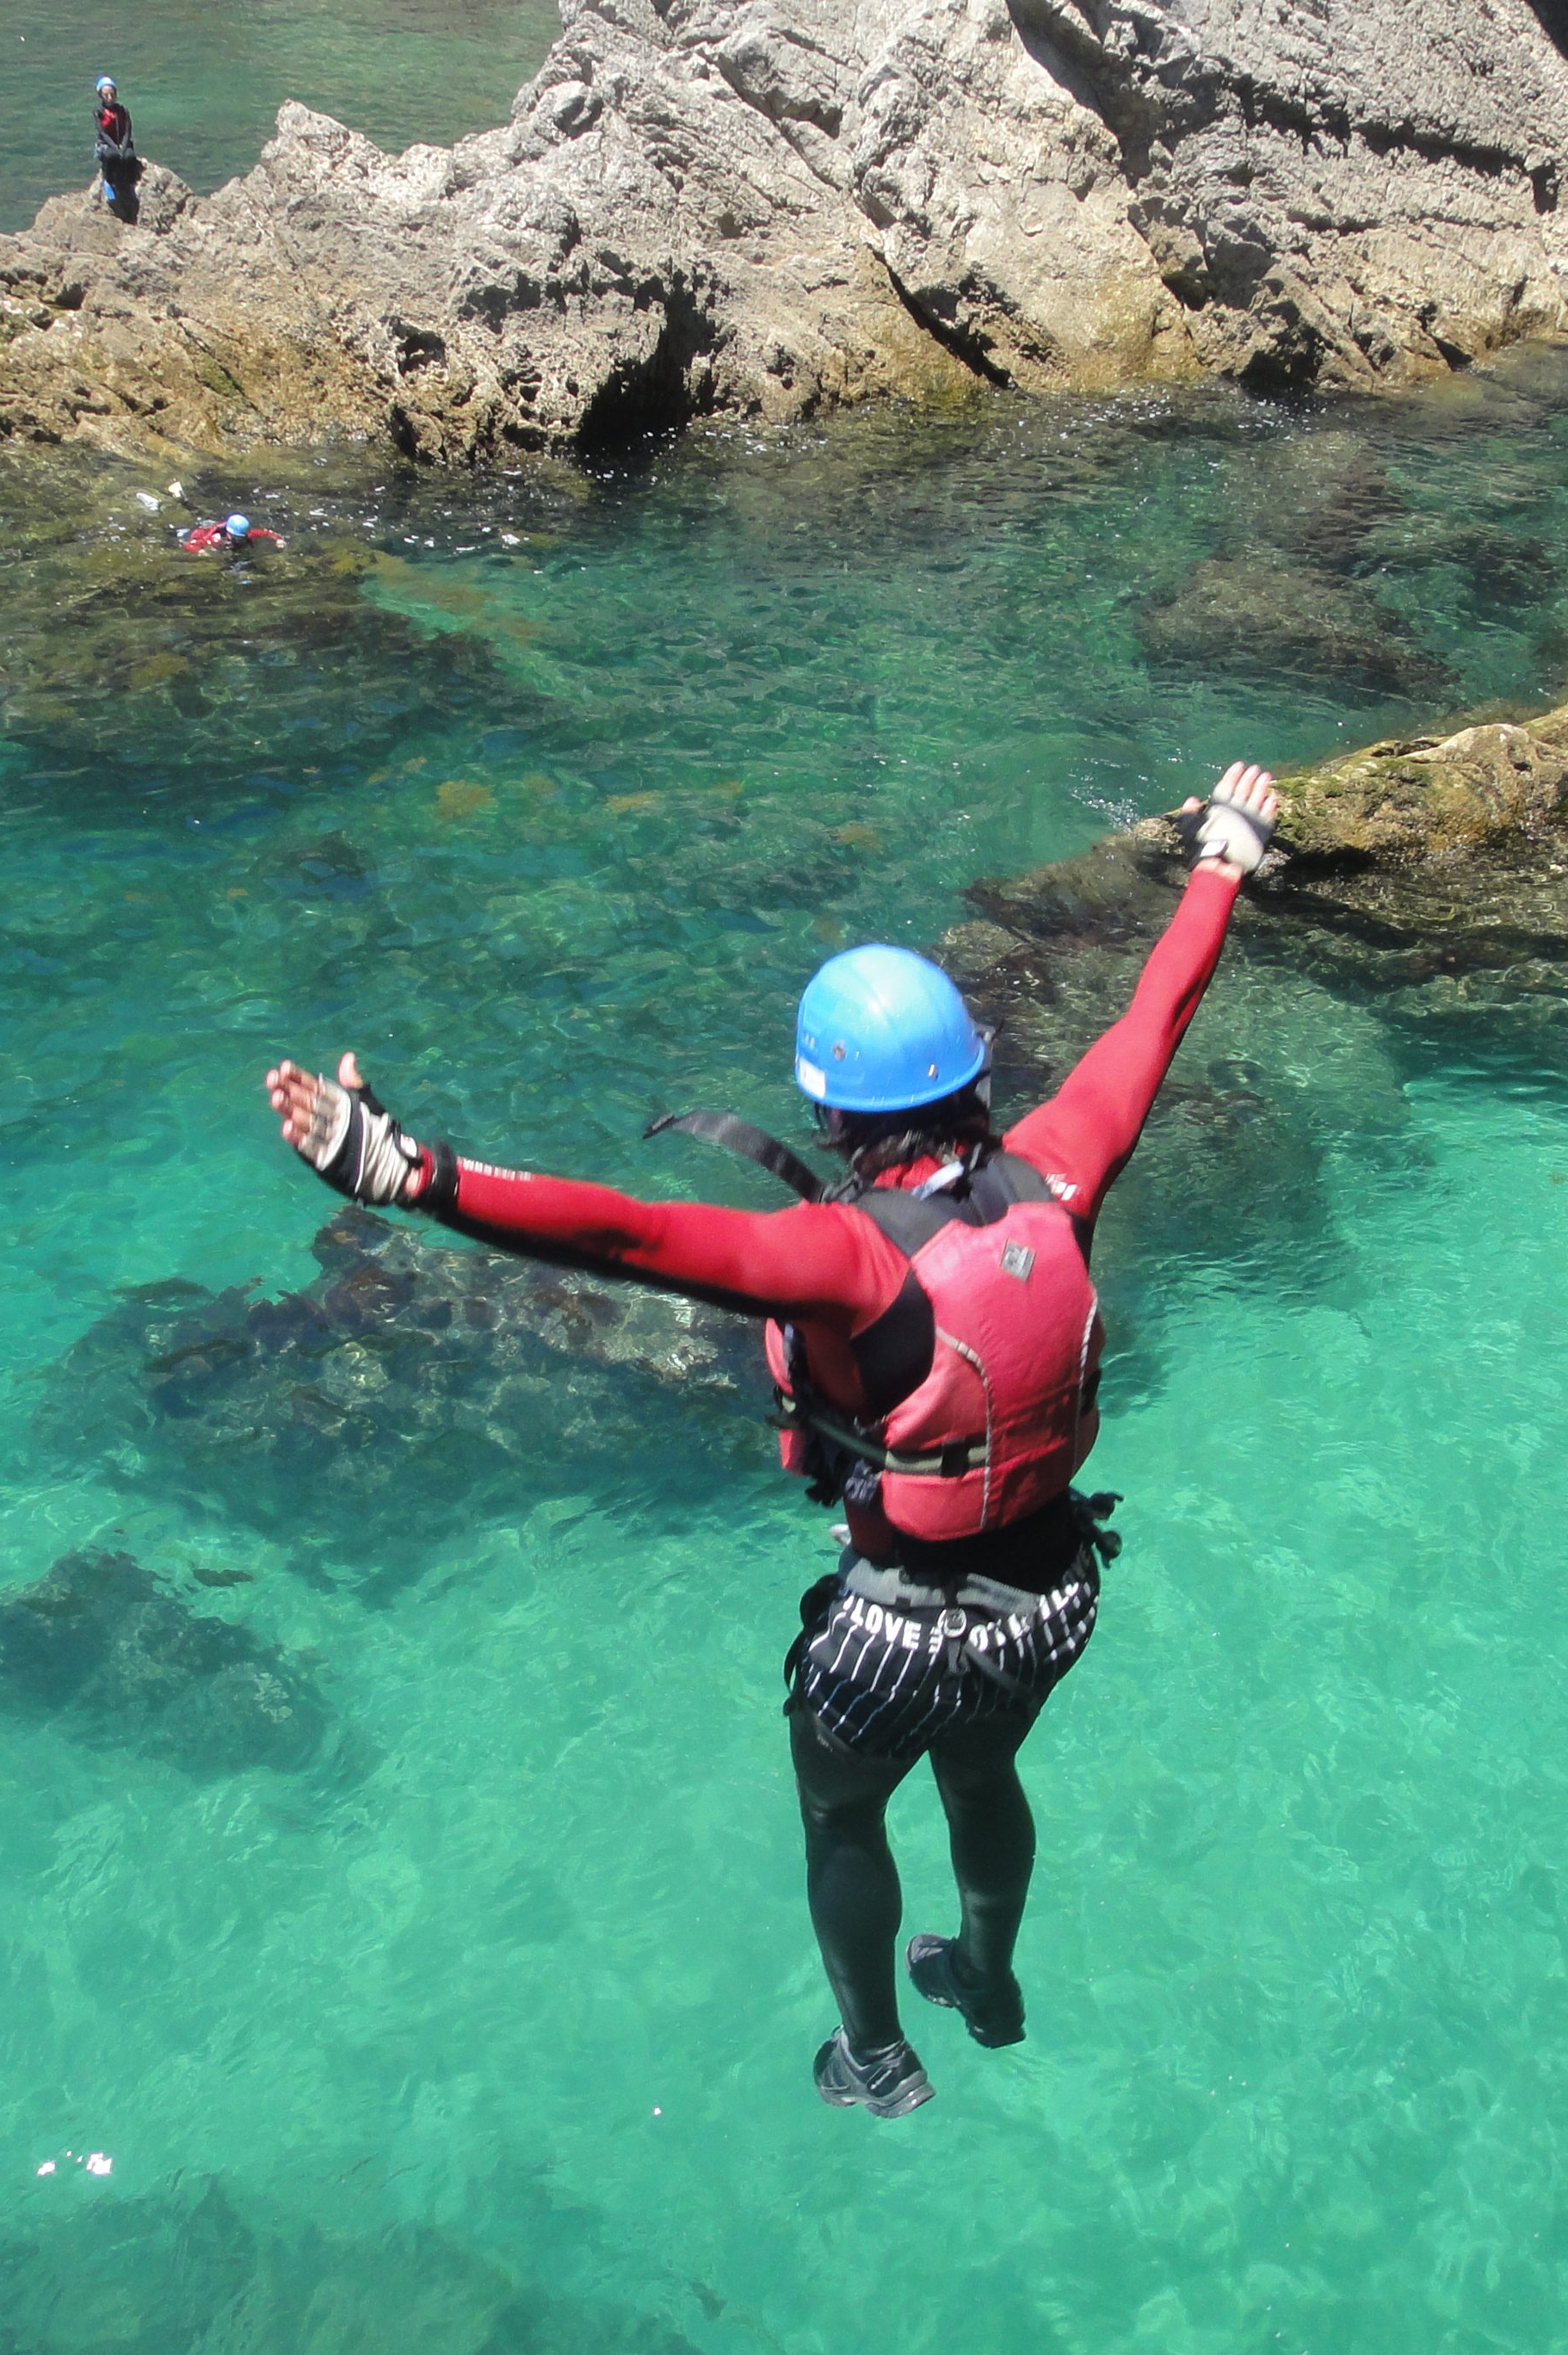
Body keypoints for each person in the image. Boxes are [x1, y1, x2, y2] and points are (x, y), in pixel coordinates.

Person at [265, 761, 1281, 2117]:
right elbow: (1158, 1012)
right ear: (974, 1073)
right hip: (1053, 1595)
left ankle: (874, 2057)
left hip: (898, 1636)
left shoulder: (843, 1257)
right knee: (984, 1773)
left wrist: (414, 1175)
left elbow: (630, 1234)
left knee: (842, 1813)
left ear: (829, 1115)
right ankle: (986, 1977)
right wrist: (1222, 859)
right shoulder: (1063, 1166)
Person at [94, 76, 140, 219]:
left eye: (112, 94)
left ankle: (130, 184)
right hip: (106, 145)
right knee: (111, 156)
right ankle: (108, 182)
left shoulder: (122, 111)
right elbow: (102, 133)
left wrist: (123, 147)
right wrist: (115, 147)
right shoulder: (99, 112)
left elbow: (128, 130)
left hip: (122, 143)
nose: (109, 97)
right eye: (106, 94)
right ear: (101, 95)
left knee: (129, 157)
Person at [180, 513, 283, 553]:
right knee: (199, 515)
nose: (241, 541)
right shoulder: (215, 539)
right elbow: (189, 544)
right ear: (228, 534)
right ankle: (183, 500)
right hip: (200, 531)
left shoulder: (247, 534)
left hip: (221, 525)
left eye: (242, 538)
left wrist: (278, 540)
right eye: (237, 538)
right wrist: (200, 552)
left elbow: (266, 532)